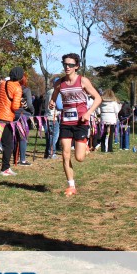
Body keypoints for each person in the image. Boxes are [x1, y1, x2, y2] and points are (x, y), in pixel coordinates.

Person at [50, 53, 101, 196]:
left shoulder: (83, 81)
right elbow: (54, 97)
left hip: (81, 122)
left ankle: (85, 147)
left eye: (70, 65)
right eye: (65, 64)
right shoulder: (59, 83)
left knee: (79, 158)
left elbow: (98, 98)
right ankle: (71, 186)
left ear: (76, 66)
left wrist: (88, 113)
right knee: (65, 153)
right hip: (66, 122)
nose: (67, 67)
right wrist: (52, 102)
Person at [0, 66, 24, 176]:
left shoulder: (3, 84)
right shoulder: (17, 88)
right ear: (20, 76)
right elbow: (14, 107)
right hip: (6, 118)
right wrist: (21, 104)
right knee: (8, 144)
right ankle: (5, 168)